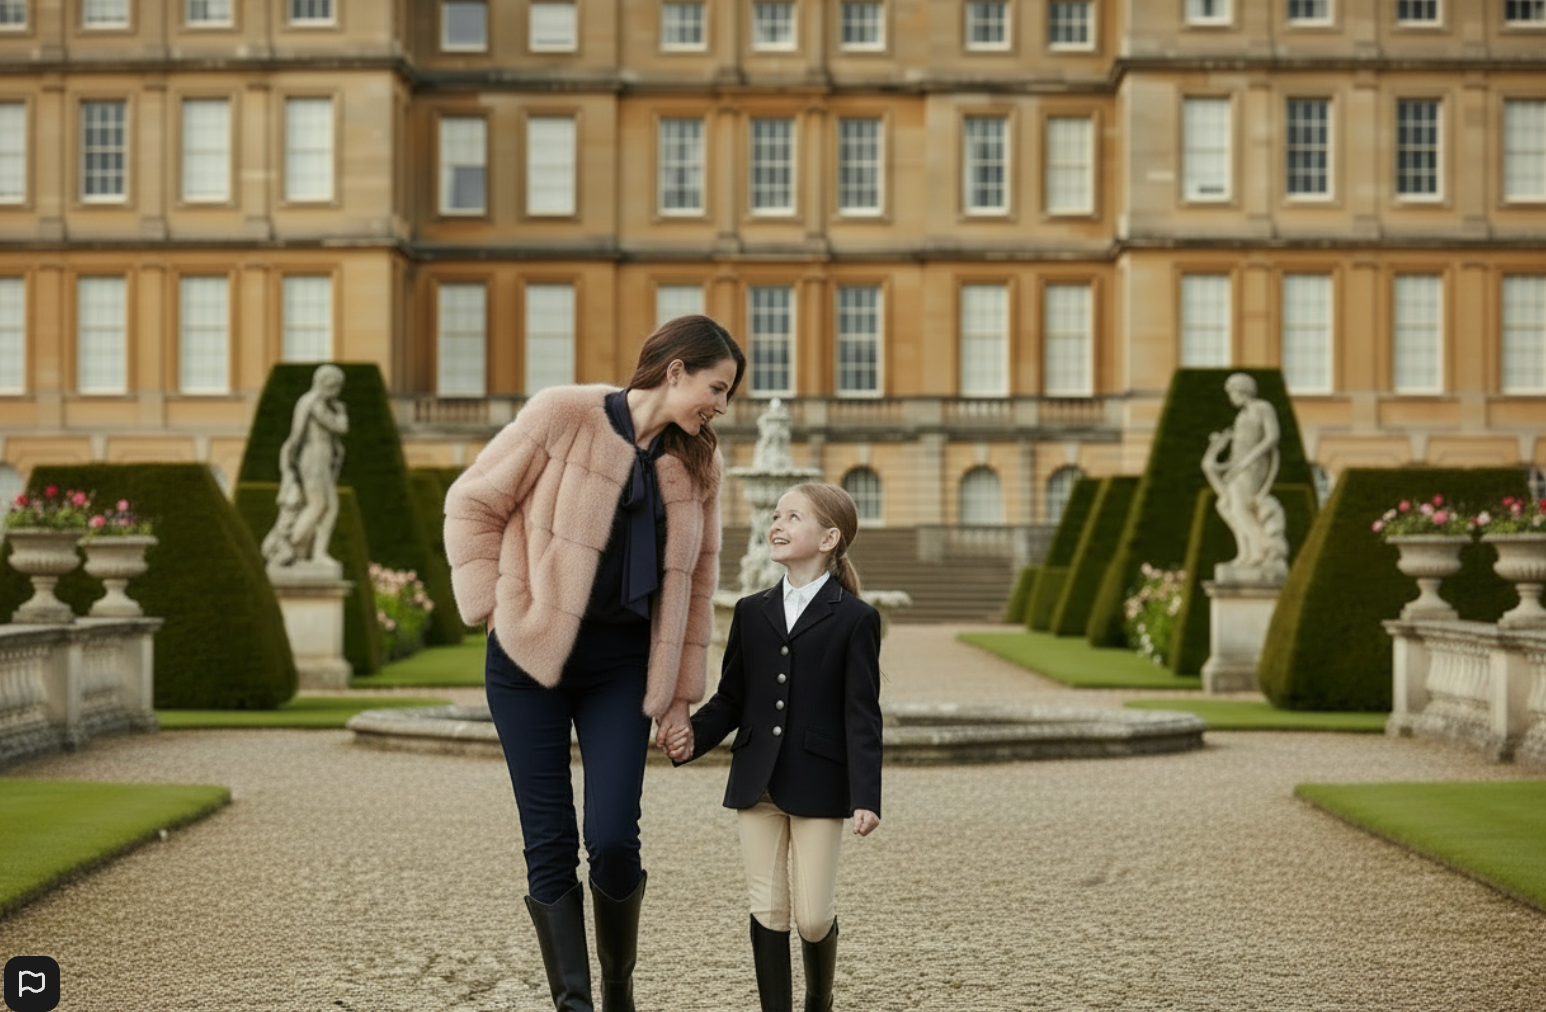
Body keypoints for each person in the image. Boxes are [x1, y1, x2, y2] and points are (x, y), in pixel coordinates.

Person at [443, 315, 745, 1012]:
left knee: (612, 835)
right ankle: (574, 1004)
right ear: (675, 371)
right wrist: (492, 605)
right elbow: (473, 502)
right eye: (716, 387)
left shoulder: (701, 462)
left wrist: (679, 696)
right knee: (547, 838)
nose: (720, 407)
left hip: (622, 668)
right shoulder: (563, 413)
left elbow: (699, 584)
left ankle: (617, 988)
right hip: (527, 663)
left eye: (727, 395)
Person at [667, 483, 883, 1012]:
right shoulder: (750, 611)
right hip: (754, 780)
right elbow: (731, 698)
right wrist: (690, 736)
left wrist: (866, 795)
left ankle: (818, 1000)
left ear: (829, 538)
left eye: (794, 516)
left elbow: (862, 716)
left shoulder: (855, 618)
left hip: (820, 783)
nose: (777, 524)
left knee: (811, 916)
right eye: (776, 514)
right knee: (768, 909)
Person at [263, 363, 348, 570]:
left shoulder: (320, 403)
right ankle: (286, 545)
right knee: (318, 505)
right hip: (312, 458)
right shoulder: (311, 402)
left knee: (331, 508)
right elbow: (299, 436)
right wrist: (289, 469)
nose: (337, 391)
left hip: (322, 458)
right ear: (325, 383)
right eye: (335, 386)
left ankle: (318, 554)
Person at [1201, 372, 1287, 574]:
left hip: (1254, 466)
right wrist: (1222, 465)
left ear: (1242, 390)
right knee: (1224, 505)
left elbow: (1272, 437)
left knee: (1241, 508)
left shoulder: (1262, 408)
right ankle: (1246, 552)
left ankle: (1262, 550)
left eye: (1231, 392)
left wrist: (1248, 460)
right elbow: (1236, 452)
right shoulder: (1241, 416)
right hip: (1239, 466)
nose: (1231, 397)